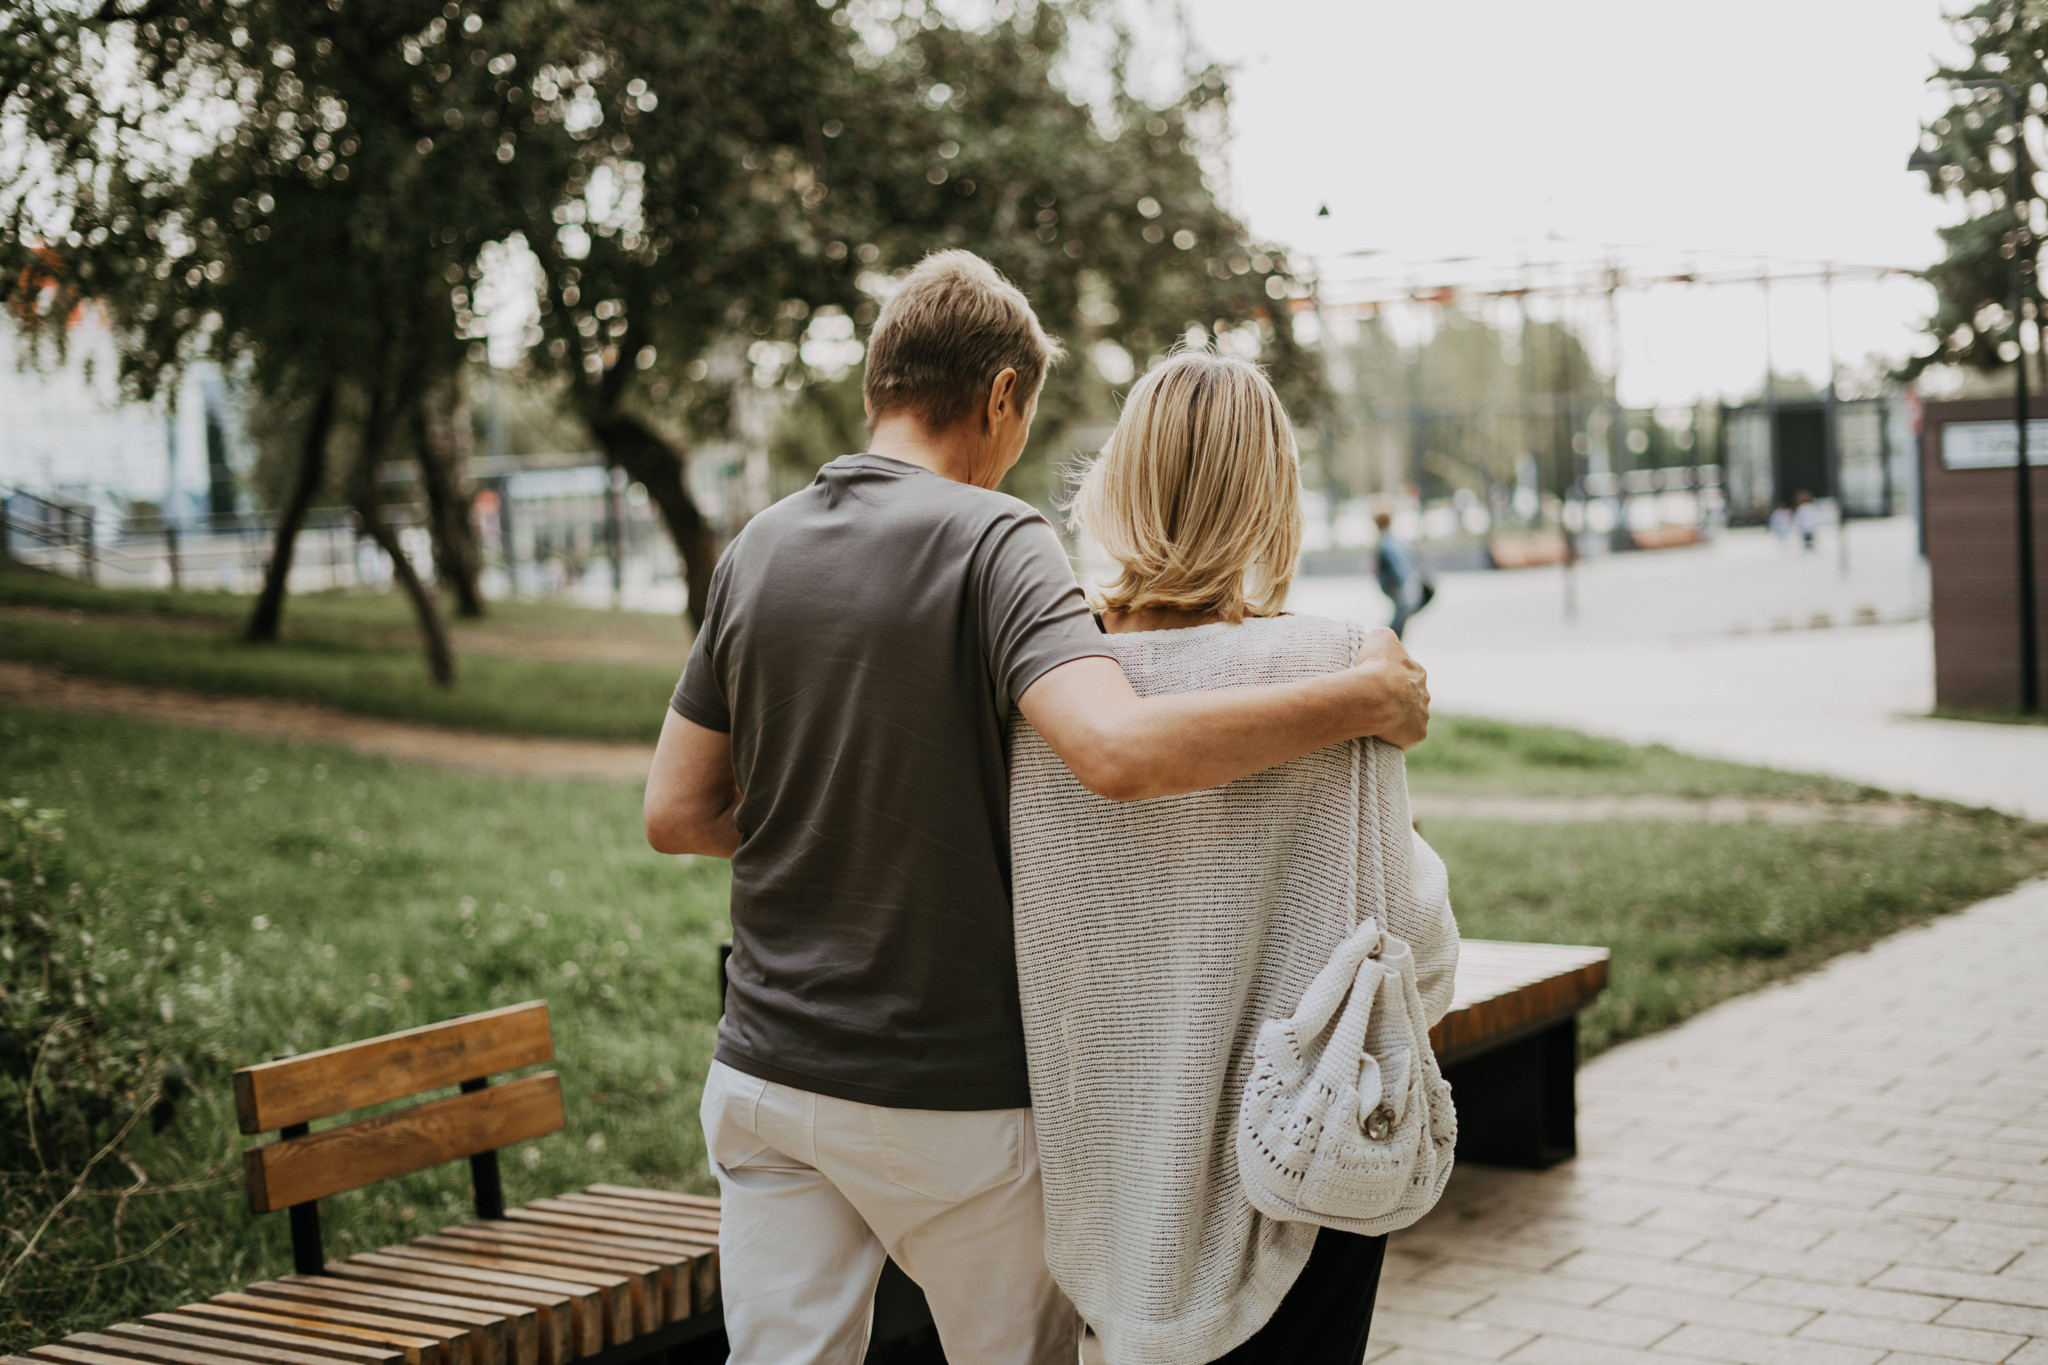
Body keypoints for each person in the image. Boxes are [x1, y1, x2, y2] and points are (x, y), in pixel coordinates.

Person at [642, 251, 1432, 1365]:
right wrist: (1362, 697)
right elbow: (1112, 751)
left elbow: (676, 811)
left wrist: (835, 830)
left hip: (763, 1076)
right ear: (1001, 396)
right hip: (939, 1094)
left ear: (879, 382)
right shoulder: (995, 536)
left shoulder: (756, 549)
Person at [1009, 351, 1460, 1365]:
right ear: (1271, 496)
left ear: (1119, 480)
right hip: (1301, 1165)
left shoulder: (1049, 678)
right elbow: (1415, 939)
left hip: (1099, 1163)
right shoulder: (1336, 661)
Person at [1372, 507, 1432, 639]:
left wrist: (1402, 585)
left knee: (1398, 620)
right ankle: (1390, 644)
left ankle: (1387, 644)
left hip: (1398, 587)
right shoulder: (1395, 540)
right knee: (1400, 618)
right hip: (1402, 586)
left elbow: (1399, 566)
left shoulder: (1387, 543)